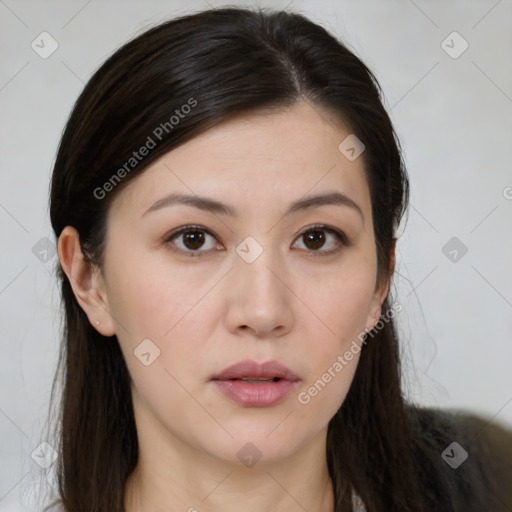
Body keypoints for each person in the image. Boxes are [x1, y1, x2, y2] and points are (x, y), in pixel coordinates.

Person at [41, 6, 512, 512]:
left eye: (316, 239)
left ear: (381, 279)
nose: (263, 312)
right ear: (90, 280)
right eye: (194, 239)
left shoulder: (488, 480)